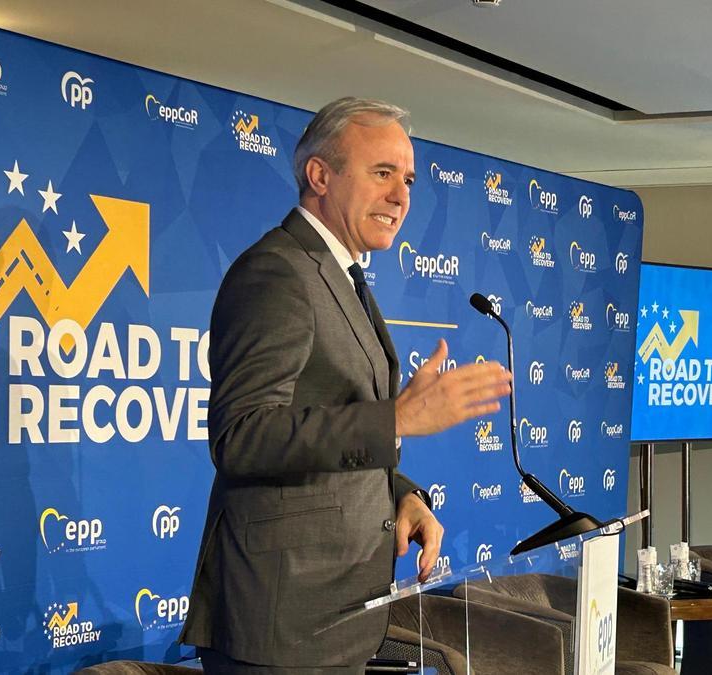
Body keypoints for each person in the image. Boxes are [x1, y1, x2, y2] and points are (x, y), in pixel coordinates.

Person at [180, 97, 513, 673]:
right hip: (281, 625)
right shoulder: (277, 272)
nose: (401, 195)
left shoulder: (340, 274)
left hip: (340, 615)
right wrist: (399, 420)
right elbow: (241, 436)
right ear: (319, 176)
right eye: (382, 173)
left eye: (406, 179)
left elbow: (335, 420)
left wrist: (401, 495)